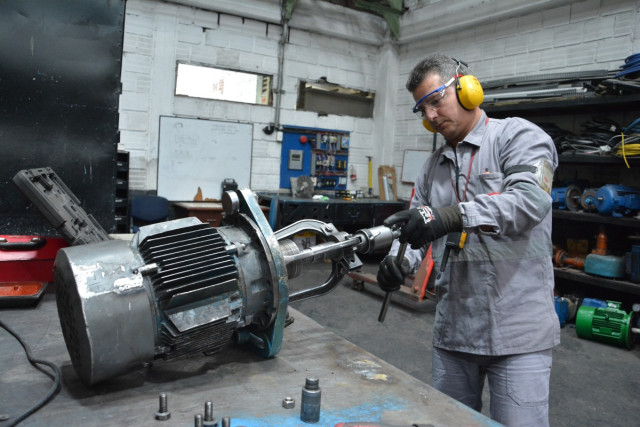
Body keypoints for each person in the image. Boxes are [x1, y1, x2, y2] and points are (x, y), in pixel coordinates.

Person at [377, 54, 560, 427]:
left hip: (518, 332)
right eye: (422, 108)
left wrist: (451, 216)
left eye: (435, 100)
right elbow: (416, 231)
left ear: (466, 88)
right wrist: (399, 261)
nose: (430, 115)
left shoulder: (519, 137)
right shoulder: (432, 168)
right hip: (455, 332)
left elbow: (530, 202)